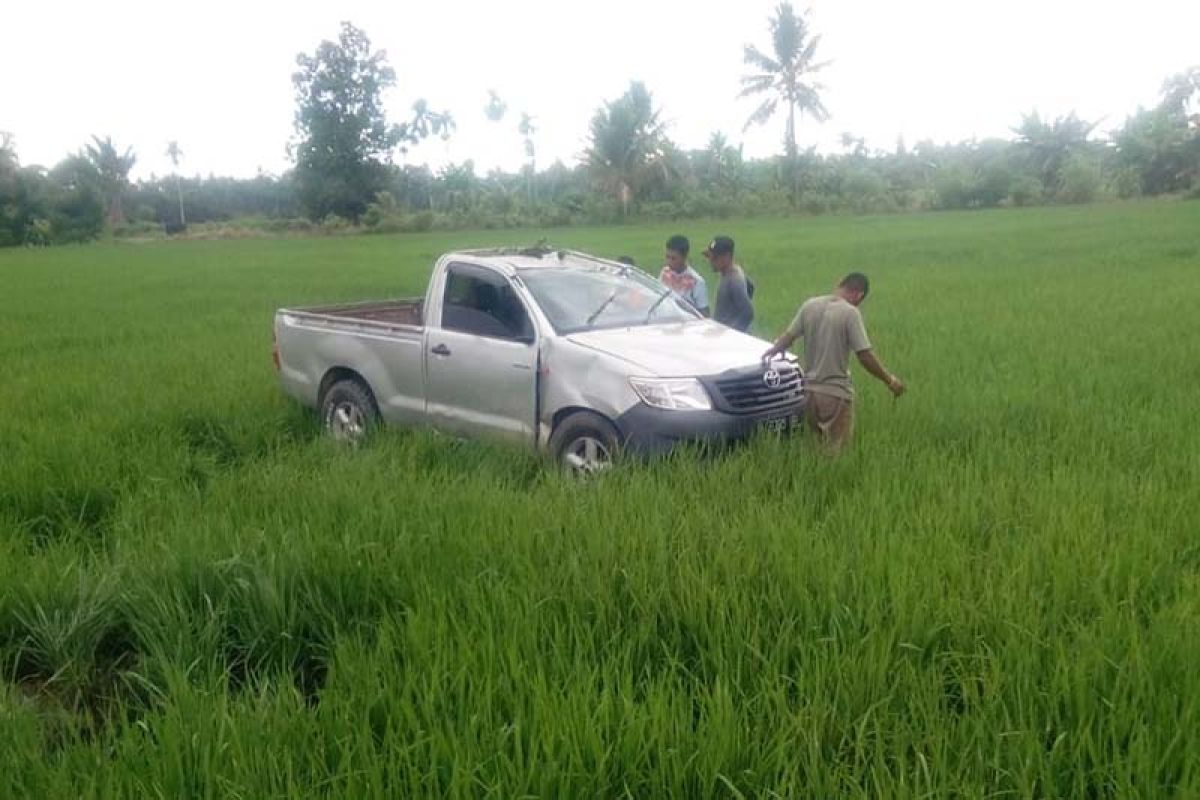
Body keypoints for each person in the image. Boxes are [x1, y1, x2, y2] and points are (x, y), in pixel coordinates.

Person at [761, 272, 905, 452]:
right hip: (835, 394)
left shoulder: (810, 305)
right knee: (836, 454)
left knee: (817, 449)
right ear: (858, 295)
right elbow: (864, 356)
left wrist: (771, 351)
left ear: (840, 285)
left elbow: (788, 337)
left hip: (809, 394)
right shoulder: (850, 313)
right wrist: (890, 381)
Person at [703, 235, 753, 332]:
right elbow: (750, 286)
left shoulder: (734, 280)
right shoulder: (727, 273)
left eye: (714, 258)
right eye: (709, 257)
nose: (710, 261)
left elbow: (747, 312)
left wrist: (730, 333)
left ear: (727, 257)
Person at [658, 235, 709, 315]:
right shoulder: (664, 273)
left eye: (673, 258)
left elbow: (704, 313)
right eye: (667, 257)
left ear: (684, 257)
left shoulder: (697, 281)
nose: (669, 262)